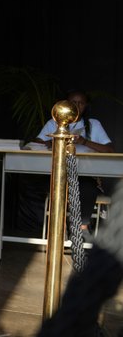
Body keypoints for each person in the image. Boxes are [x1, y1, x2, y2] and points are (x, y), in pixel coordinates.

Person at [34, 89, 114, 231]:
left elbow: (110, 150)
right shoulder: (54, 123)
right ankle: (60, 227)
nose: (76, 106)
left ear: (86, 106)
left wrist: (84, 142)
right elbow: (36, 143)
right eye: (73, 102)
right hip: (58, 173)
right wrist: (54, 143)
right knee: (57, 187)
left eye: (81, 103)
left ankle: (80, 229)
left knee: (87, 188)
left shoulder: (92, 124)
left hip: (84, 175)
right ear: (65, 104)